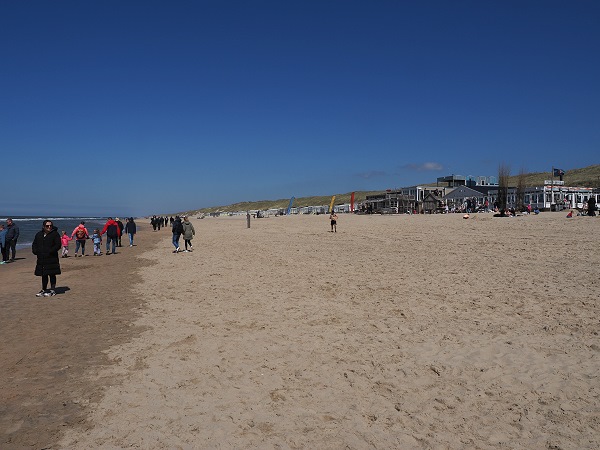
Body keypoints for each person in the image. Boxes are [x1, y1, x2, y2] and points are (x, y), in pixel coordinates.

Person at [32, 220, 61, 297]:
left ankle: (52, 290)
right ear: (43, 226)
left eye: (50, 226)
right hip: (41, 258)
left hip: (52, 258)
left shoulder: (55, 234)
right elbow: (34, 244)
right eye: (47, 226)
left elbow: (58, 245)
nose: (49, 227)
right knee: (44, 274)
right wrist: (35, 251)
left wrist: (50, 251)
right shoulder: (39, 234)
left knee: (52, 274)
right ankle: (43, 289)